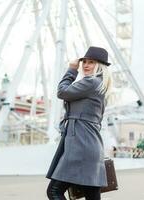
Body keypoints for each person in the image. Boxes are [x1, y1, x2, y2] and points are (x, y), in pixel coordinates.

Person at [46, 46, 112, 200]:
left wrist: (71, 70)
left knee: (54, 191)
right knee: (91, 195)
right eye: (84, 62)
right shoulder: (100, 85)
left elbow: (62, 92)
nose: (86, 65)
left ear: (100, 66)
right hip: (90, 143)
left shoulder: (91, 82)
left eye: (91, 62)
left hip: (80, 144)